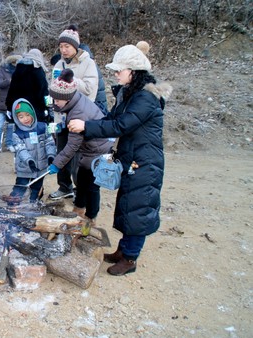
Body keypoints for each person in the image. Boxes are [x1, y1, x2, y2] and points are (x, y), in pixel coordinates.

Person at [68, 42, 172, 276]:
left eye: (119, 70)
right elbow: (109, 118)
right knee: (128, 204)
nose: (115, 75)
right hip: (133, 159)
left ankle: (130, 259)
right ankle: (123, 251)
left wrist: (86, 125)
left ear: (133, 72)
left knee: (138, 208)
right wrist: (86, 119)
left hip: (145, 161)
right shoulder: (129, 94)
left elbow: (121, 125)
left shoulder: (144, 98)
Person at [47, 69, 112, 228]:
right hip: (90, 149)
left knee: (91, 186)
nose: (54, 102)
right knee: (82, 181)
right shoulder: (74, 100)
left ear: (65, 98)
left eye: (56, 99)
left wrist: (57, 163)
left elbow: (72, 145)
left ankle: (90, 218)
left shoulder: (78, 113)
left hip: (98, 150)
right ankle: (78, 210)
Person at [49, 25, 101, 200]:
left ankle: (81, 189)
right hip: (61, 117)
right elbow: (54, 91)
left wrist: (71, 79)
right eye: (61, 46)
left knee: (78, 156)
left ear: (75, 47)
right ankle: (64, 187)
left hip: (80, 118)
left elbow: (89, 90)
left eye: (67, 46)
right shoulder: (58, 63)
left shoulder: (88, 62)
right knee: (61, 151)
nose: (63, 50)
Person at [11, 98, 56, 201]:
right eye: (21, 116)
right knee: (20, 187)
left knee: (36, 188)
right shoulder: (17, 134)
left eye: (27, 115)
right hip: (25, 168)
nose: (25, 119)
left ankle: (32, 205)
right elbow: (21, 150)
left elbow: (49, 142)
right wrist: (29, 161)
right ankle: (13, 205)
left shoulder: (43, 127)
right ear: (16, 118)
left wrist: (51, 156)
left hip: (41, 167)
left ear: (32, 113)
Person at [5, 49, 50, 123]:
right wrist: (46, 107)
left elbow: (11, 91)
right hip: (35, 110)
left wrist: (9, 107)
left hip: (19, 109)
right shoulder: (38, 71)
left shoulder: (18, 70)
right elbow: (43, 92)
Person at [0, 54, 21, 153]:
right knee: (0, 125)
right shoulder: (2, 70)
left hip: (13, 103)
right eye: (15, 62)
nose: (16, 64)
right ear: (11, 62)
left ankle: (9, 143)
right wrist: (9, 81)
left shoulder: (18, 71)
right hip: (2, 102)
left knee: (11, 125)